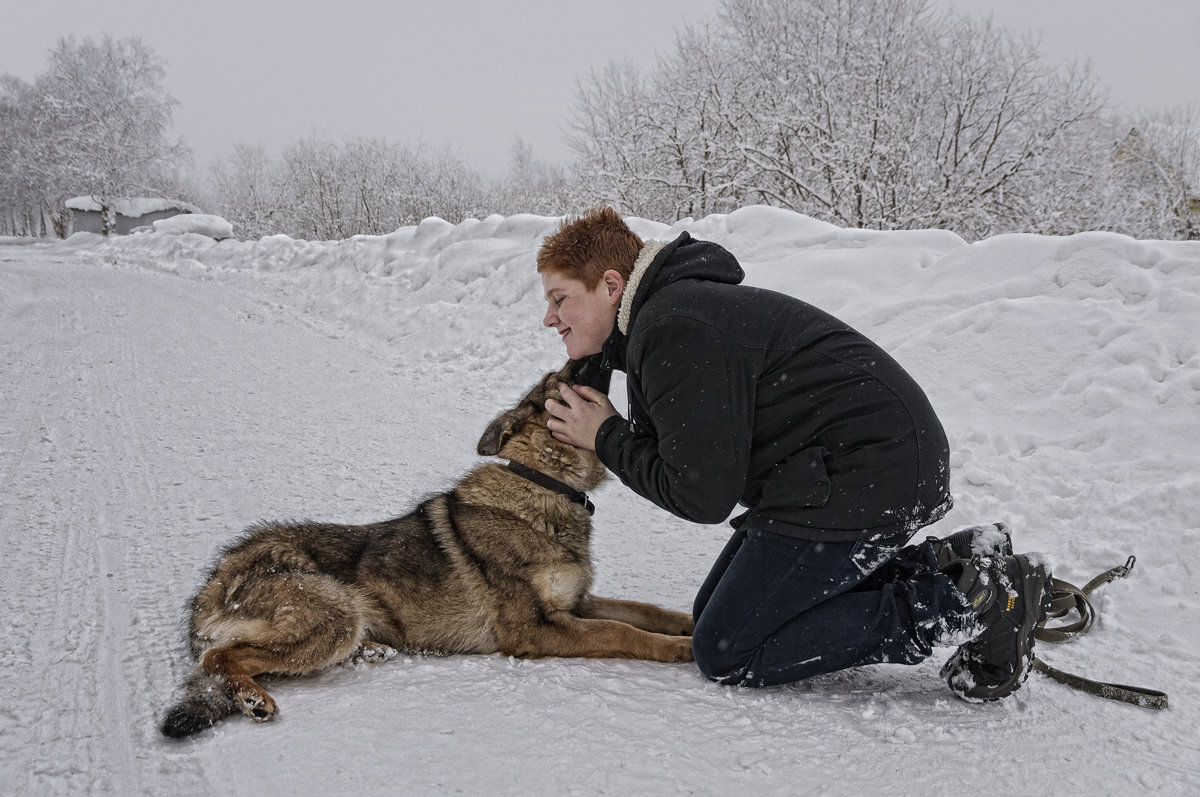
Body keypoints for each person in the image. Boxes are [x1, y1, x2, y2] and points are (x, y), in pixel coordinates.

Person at [537, 207, 1052, 701]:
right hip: (847, 469)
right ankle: (957, 563)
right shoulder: (668, 317)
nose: (548, 317)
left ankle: (970, 602)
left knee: (730, 648)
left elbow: (700, 495)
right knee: (715, 613)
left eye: (560, 299)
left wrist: (604, 435)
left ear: (610, 286)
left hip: (866, 473)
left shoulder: (675, 328)